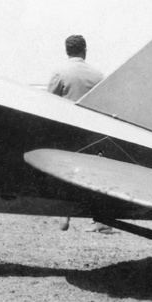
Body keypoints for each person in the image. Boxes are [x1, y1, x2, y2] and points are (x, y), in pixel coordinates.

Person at [48, 34, 106, 231]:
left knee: (64, 174)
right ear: (85, 50)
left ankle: (64, 219)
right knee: (94, 176)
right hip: (92, 133)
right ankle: (100, 221)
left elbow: (48, 102)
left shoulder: (61, 73)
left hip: (67, 132)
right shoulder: (98, 75)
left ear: (66, 51)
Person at [47, 34, 106, 101]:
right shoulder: (99, 75)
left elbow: (49, 101)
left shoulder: (59, 73)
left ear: (67, 52)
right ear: (85, 51)